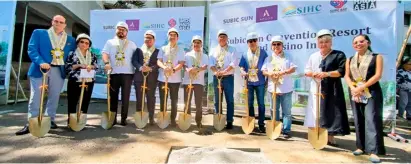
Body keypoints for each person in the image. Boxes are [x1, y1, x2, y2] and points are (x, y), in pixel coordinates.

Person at [15, 15, 76, 135]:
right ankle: (31, 122)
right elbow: (32, 49)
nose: (58, 24)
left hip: (58, 70)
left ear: (65, 25)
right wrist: (41, 61)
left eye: (61, 22)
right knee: (36, 96)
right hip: (40, 69)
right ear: (52, 22)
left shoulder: (70, 40)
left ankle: (50, 120)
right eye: (56, 21)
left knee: (54, 96)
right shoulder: (39, 33)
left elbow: (73, 55)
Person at [304, 29, 350, 146]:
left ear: (331, 42)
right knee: (315, 112)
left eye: (326, 42)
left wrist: (327, 74)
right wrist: (313, 73)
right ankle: (317, 135)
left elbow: (341, 71)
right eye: (321, 42)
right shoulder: (313, 56)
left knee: (331, 112)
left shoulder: (338, 55)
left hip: (332, 88)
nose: (323, 44)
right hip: (316, 87)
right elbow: (307, 70)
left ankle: (330, 136)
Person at [344, 34, 385, 163]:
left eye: (361, 41)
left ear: (368, 42)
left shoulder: (376, 57)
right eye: (355, 42)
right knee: (358, 119)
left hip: (371, 91)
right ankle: (360, 147)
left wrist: (362, 88)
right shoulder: (350, 59)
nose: (358, 44)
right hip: (355, 92)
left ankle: (374, 151)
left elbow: (378, 75)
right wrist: (353, 88)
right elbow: (347, 76)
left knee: (372, 119)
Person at [102, 21, 137, 126]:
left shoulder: (132, 44)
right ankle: (112, 119)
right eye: (119, 29)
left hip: (128, 74)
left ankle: (123, 119)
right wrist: (107, 63)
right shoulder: (110, 42)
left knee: (125, 97)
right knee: (113, 97)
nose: (121, 31)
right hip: (114, 73)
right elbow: (105, 53)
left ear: (127, 32)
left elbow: (136, 58)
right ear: (116, 30)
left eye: (123, 29)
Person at [262, 36, 297, 138]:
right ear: (271, 46)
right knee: (274, 110)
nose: (276, 46)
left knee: (287, 112)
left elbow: (293, 68)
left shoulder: (288, 56)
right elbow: (263, 71)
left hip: (286, 88)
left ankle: (286, 130)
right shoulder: (268, 58)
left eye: (278, 44)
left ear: (282, 45)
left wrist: (283, 72)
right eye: (274, 44)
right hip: (273, 89)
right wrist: (271, 74)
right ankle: (275, 128)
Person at [65, 33, 98, 129]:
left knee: (85, 101)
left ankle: (81, 121)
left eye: (87, 43)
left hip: (89, 81)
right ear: (78, 43)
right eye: (82, 42)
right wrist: (79, 65)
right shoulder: (72, 54)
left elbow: (96, 67)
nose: (84, 44)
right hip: (75, 80)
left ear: (89, 45)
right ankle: (71, 121)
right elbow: (67, 67)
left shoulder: (92, 55)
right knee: (72, 101)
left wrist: (91, 66)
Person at [238, 32, 268, 133]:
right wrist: (242, 71)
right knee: (249, 104)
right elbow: (241, 66)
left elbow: (266, 66)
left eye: (254, 40)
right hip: (249, 83)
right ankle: (251, 124)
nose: (252, 43)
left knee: (261, 104)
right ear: (247, 43)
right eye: (250, 41)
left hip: (260, 82)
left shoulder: (263, 53)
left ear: (257, 41)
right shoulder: (244, 54)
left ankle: (261, 124)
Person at [209, 29, 238, 129]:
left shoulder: (232, 49)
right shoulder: (213, 50)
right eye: (220, 36)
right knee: (217, 100)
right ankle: (219, 119)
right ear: (218, 38)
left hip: (228, 78)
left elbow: (233, 63)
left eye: (224, 36)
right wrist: (216, 72)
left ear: (227, 38)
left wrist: (224, 71)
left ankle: (230, 121)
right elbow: (211, 64)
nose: (222, 38)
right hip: (216, 78)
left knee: (229, 100)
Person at [157, 28, 185, 126]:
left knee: (174, 100)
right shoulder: (163, 48)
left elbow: (181, 63)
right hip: (162, 78)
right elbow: (158, 61)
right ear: (168, 36)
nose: (172, 37)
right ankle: (163, 118)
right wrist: (164, 67)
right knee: (163, 99)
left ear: (177, 38)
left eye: (174, 35)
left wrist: (173, 70)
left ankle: (173, 120)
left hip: (175, 80)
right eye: (170, 35)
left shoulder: (180, 49)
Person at [131, 30, 160, 125]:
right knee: (139, 98)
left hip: (152, 79)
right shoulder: (138, 50)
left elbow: (158, 64)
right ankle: (140, 117)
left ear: (154, 40)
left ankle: (151, 118)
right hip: (139, 78)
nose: (148, 40)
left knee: (151, 98)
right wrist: (140, 67)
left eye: (150, 38)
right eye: (146, 38)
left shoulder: (157, 51)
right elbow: (134, 61)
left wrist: (150, 68)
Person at [182, 35, 208, 128]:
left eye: (198, 43)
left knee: (198, 103)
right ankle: (187, 120)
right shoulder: (187, 55)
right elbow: (183, 65)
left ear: (201, 44)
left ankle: (198, 121)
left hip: (199, 82)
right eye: (195, 42)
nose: (196, 44)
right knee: (187, 102)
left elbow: (205, 67)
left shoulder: (204, 56)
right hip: (187, 81)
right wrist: (188, 70)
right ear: (192, 44)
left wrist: (197, 69)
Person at [397, 56, 411, 121]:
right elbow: (398, 82)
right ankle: (400, 115)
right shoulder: (400, 72)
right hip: (404, 90)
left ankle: (409, 116)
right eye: (409, 64)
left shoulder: (410, 72)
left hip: (410, 90)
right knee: (403, 103)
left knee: (410, 103)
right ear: (404, 64)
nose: (410, 65)